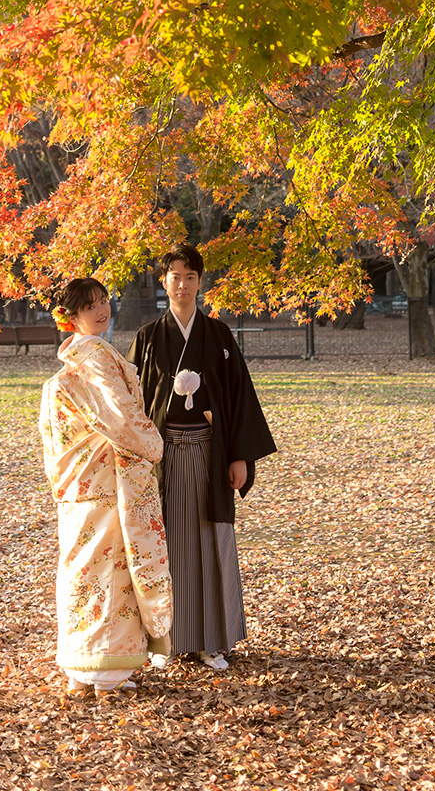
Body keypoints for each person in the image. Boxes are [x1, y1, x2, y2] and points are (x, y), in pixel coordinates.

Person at [128, 244, 276, 673]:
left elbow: (239, 398)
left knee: (210, 543)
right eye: (174, 275)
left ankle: (212, 640)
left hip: (210, 456)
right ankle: (165, 641)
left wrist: (240, 457)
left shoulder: (218, 335)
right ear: (164, 281)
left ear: (200, 282)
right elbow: (131, 404)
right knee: (162, 546)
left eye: (190, 276)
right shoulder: (148, 337)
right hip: (163, 457)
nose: (182, 284)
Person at [38, 277, 173, 700]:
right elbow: (120, 415)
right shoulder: (93, 355)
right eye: (88, 306)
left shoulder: (73, 362)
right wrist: (153, 444)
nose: (100, 310)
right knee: (110, 570)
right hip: (106, 479)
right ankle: (106, 670)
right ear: (71, 317)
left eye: (102, 301)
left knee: (82, 569)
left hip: (80, 482)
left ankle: (80, 666)